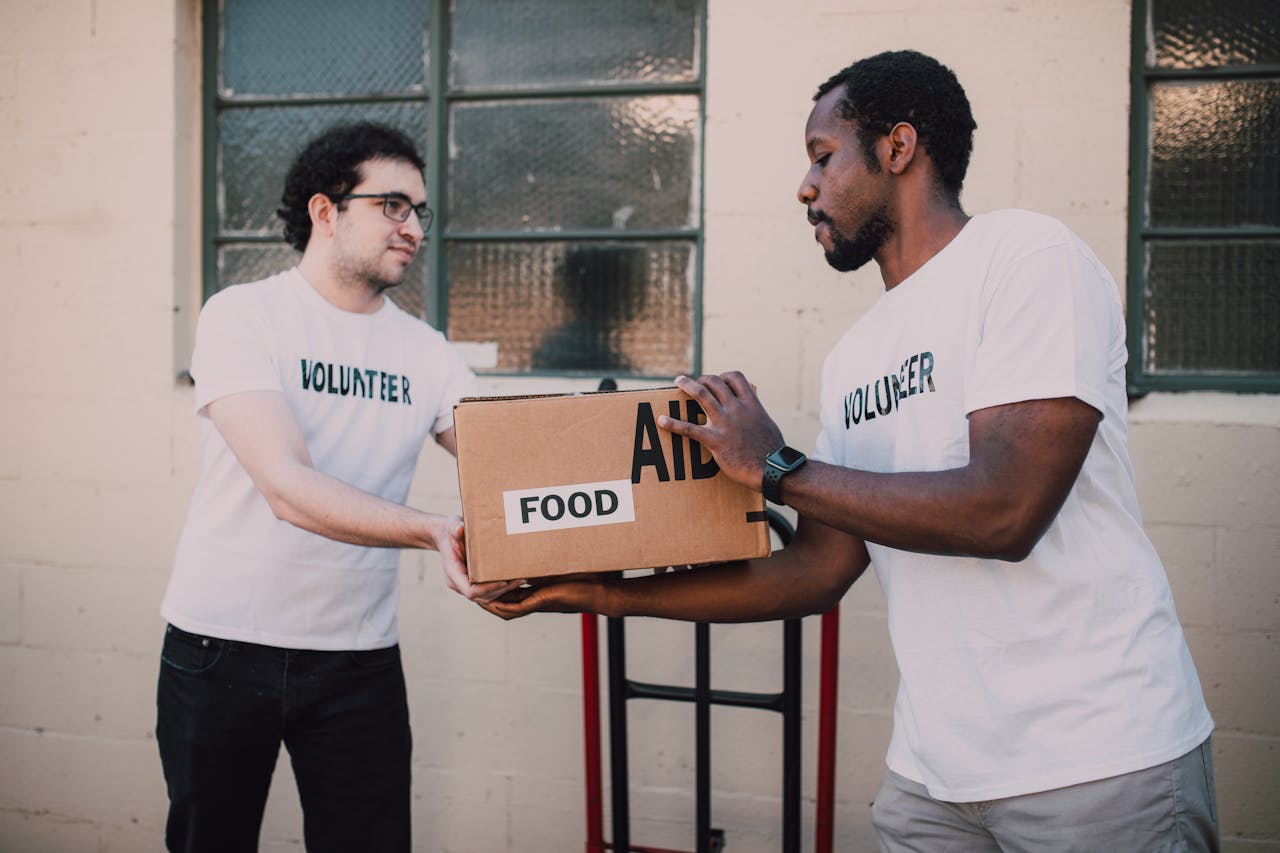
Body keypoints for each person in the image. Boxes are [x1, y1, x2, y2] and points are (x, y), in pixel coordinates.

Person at [484, 51, 1218, 851]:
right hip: (933, 780)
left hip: (1096, 765)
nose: (806, 187)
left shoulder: (1026, 258)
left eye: (823, 157)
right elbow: (816, 569)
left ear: (898, 148)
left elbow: (1006, 511)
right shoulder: (855, 357)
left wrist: (774, 465)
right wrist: (602, 593)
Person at [156, 121, 517, 853]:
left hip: (358, 659)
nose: (412, 226)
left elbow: (513, 461)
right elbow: (286, 486)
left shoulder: (426, 352)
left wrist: (653, 444)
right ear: (325, 211)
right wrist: (432, 528)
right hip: (220, 647)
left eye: (420, 210)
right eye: (392, 204)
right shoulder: (244, 314)